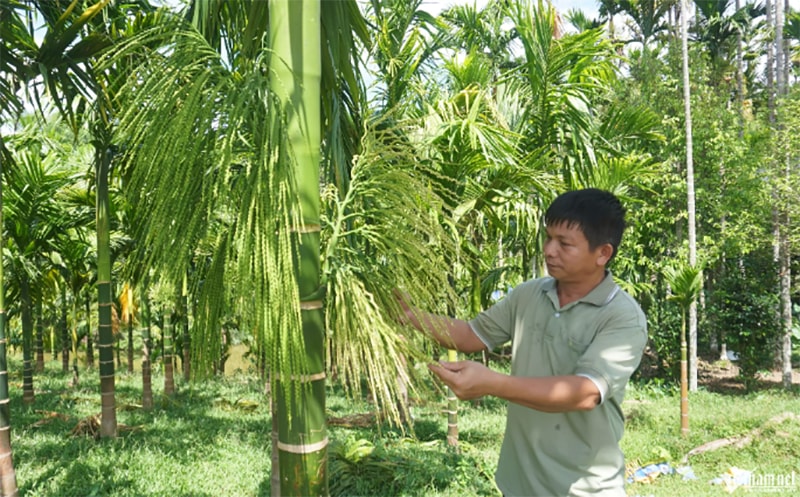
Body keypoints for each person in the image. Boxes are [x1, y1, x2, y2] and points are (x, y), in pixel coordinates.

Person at [397, 188, 647, 497]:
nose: (549, 250)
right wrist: (411, 316)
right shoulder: (529, 295)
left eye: (564, 243)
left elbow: (584, 393)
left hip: (584, 489)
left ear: (602, 253)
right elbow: (471, 335)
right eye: (548, 238)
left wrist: (492, 383)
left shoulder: (622, 316)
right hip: (519, 483)